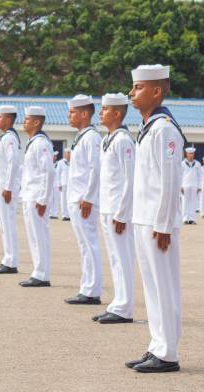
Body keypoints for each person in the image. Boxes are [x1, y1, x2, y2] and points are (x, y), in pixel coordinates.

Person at [125, 64, 184, 373]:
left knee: (164, 286)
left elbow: (171, 180)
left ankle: (168, 352)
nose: (132, 94)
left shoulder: (165, 129)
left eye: (138, 88)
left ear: (157, 91)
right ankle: (157, 345)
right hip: (144, 218)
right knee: (151, 286)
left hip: (157, 222)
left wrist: (163, 223)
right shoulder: (149, 128)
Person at [93, 93, 136, 324]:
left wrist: (122, 212)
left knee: (123, 257)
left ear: (117, 113)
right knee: (114, 257)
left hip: (118, 209)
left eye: (105, 109)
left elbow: (130, 178)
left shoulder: (123, 140)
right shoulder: (108, 139)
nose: (101, 113)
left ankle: (125, 307)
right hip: (107, 207)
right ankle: (118, 302)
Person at [64, 94, 103, 305]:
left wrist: (88, 197)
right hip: (77, 199)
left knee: (89, 244)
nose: (69, 116)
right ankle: (87, 287)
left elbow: (95, 169)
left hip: (83, 201)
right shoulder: (81, 137)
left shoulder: (91, 138)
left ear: (85, 114)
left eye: (72, 112)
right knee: (84, 245)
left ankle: (92, 291)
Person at [19, 106, 55, 287]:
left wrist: (43, 198)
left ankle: (42, 273)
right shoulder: (33, 142)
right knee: (33, 235)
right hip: (30, 195)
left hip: (37, 197)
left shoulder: (41, 143)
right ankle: (38, 271)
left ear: (36, 122)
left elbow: (48, 171)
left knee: (39, 235)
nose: (24, 122)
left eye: (27, 119)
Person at [0, 105, 22, 275]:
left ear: (8, 119)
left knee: (8, 225)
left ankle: (10, 261)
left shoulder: (10, 138)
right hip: (1, 188)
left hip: (5, 189)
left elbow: (13, 162)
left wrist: (8, 187)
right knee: (4, 226)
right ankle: (8, 259)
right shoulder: (5, 138)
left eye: (0, 117)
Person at [180, 147, 200, 224]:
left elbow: (199, 176)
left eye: (192, 153)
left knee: (193, 202)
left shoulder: (197, 164)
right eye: (189, 154)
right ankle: (185, 218)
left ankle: (192, 218)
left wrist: (199, 186)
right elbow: (180, 175)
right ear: (186, 154)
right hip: (185, 185)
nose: (191, 155)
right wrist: (180, 186)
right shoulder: (182, 163)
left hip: (194, 185)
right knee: (185, 202)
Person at [55, 148, 71, 220]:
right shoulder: (60, 163)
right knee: (63, 200)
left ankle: (69, 214)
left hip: (71, 184)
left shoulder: (72, 162)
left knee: (69, 200)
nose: (69, 155)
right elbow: (58, 174)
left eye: (70, 153)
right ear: (65, 154)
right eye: (68, 153)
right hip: (63, 183)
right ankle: (64, 215)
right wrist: (59, 184)